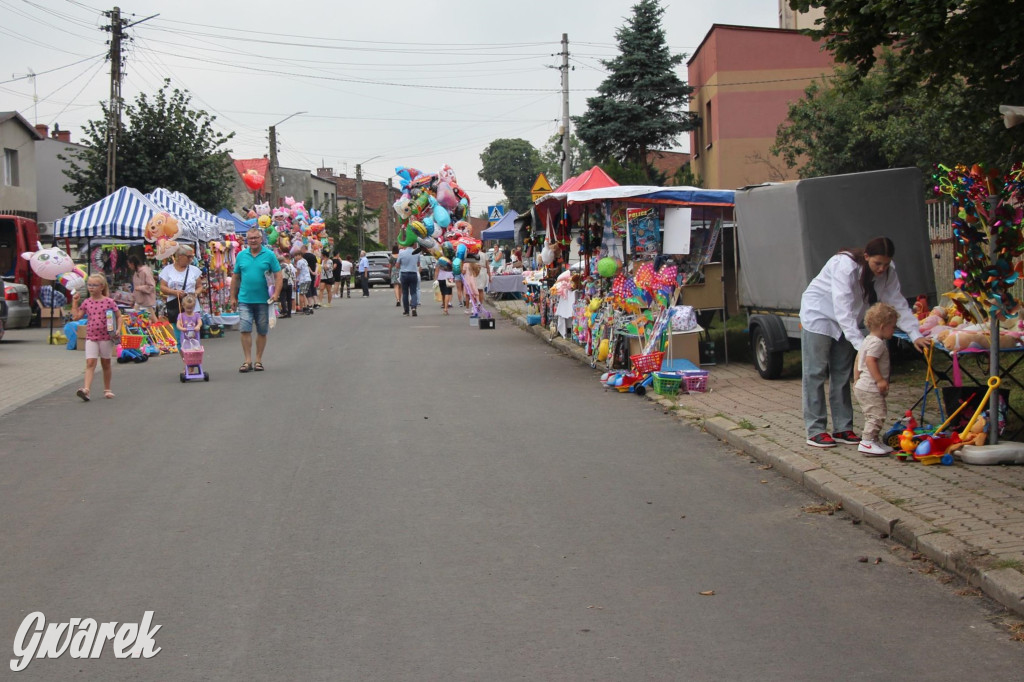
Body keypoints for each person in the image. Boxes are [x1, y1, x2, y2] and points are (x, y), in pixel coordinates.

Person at [799, 236, 928, 448]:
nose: (881, 268)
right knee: (815, 373)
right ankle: (815, 430)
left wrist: (915, 334)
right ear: (866, 256)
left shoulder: (888, 270)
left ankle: (842, 428)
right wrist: (862, 346)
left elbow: (897, 303)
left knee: (842, 374)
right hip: (819, 315)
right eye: (877, 263)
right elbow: (842, 307)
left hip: (847, 320)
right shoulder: (844, 265)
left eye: (886, 264)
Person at [230, 227, 283, 373]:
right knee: (245, 329)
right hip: (245, 299)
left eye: (256, 238)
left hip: (264, 300)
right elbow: (235, 277)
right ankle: (247, 361)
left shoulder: (269, 255)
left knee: (262, 330)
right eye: (250, 238)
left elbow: (278, 275)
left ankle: (258, 360)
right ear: (247, 239)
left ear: (261, 239)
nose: (253, 240)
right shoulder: (241, 255)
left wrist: (276, 293)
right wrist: (232, 297)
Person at [853, 302, 898, 456]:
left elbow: (858, 358)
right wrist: (880, 380)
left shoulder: (867, 340)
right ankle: (866, 442)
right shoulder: (878, 343)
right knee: (877, 415)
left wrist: (856, 379)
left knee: (872, 414)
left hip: (863, 385)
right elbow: (870, 361)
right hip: (870, 387)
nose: (894, 330)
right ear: (882, 326)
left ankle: (874, 441)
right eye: (892, 326)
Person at [70, 274, 121, 401]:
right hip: (91, 336)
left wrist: (118, 329)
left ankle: (107, 389)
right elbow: (76, 317)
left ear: (102, 286)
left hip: (106, 337)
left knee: (106, 363)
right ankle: (86, 389)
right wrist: (75, 302)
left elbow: (119, 316)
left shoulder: (109, 302)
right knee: (90, 362)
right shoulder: (87, 302)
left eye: (94, 285)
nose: (91, 288)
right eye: (89, 285)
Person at [159, 245, 202, 344]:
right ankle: (185, 358)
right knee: (180, 337)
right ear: (179, 256)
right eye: (189, 257)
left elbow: (199, 286)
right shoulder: (168, 270)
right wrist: (175, 292)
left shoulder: (194, 270)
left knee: (193, 335)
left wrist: (195, 294)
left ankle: (194, 356)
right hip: (175, 306)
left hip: (192, 307)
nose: (191, 259)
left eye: (192, 257)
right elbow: (162, 287)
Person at [397, 245, 420, 316]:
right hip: (413, 273)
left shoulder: (401, 253)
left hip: (404, 273)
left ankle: (406, 311)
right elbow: (418, 264)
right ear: (413, 244)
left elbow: (397, 265)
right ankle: (413, 307)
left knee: (405, 293)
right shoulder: (417, 253)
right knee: (413, 291)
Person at [294, 249, 312, 314]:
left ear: (300, 255)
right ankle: (307, 307)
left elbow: (298, 271)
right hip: (308, 279)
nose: (295, 257)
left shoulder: (299, 262)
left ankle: (302, 308)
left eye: (296, 256)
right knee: (304, 294)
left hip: (303, 280)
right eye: (295, 256)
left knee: (301, 294)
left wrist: (295, 277)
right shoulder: (304, 260)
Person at [278, 254, 295, 318]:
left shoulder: (279, 267)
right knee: (289, 298)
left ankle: (284, 311)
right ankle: (289, 313)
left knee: (282, 298)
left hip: (283, 282)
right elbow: (292, 274)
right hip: (290, 282)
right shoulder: (289, 266)